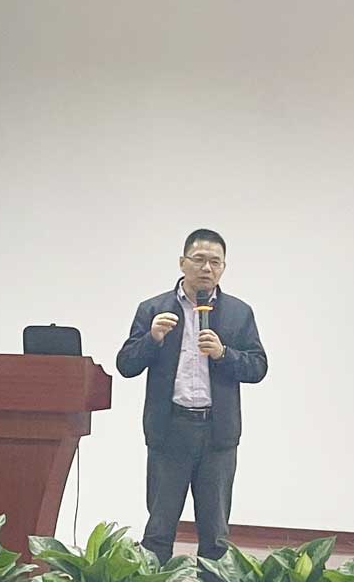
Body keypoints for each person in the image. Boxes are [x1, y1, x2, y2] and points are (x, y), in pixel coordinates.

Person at [116, 228, 268, 570]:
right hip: (169, 430)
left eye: (215, 262)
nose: (206, 268)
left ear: (223, 268)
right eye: (199, 259)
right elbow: (125, 365)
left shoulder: (239, 313)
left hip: (217, 435)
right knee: (158, 530)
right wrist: (152, 338)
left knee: (215, 536)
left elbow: (258, 367)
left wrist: (224, 354)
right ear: (182, 263)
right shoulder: (153, 309)